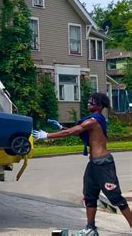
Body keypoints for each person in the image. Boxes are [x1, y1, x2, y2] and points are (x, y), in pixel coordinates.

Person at [33, 93, 132, 235]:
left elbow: (71, 131)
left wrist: (46, 135)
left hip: (104, 164)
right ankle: (91, 228)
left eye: (91, 102)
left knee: (115, 197)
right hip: (93, 164)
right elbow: (75, 132)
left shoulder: (94, 120)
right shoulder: (92, 121)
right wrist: (61, 126)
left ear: (99, 106)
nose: (88, 104)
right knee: (89, 195)